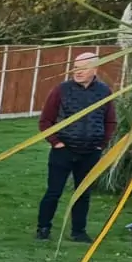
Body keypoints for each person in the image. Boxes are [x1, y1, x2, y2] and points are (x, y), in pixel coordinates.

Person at [37, 52, 115, 242]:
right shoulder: (61, 90)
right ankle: (43, 229)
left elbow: (110, 121)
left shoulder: (105, 91)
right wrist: (57, 143)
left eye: (83, 68)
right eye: (76, 67)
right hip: (63, 151)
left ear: (95, 69)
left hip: (90, 153)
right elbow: (45, 121)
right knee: (54, 192)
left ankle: (78, 232)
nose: (77, 72)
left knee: (83, 194)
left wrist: (100, 145)